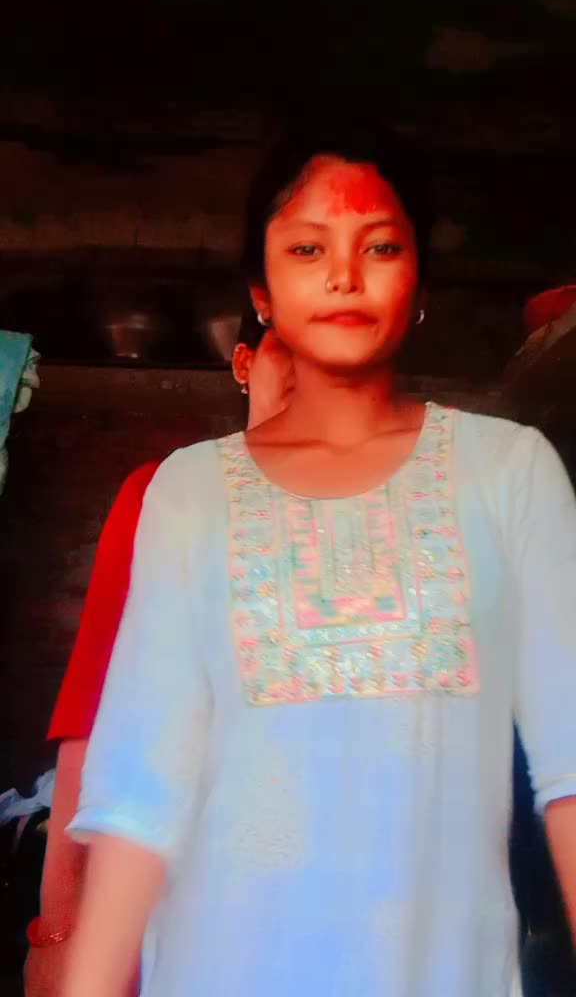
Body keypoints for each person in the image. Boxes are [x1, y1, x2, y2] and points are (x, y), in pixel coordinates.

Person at [63, 123, 576, 997]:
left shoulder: (510, 473)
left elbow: (569, 767)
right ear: (262, 293)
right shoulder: (190, 491)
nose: (344, 275)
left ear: (419, 283)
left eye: (380, 246)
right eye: (308, 248)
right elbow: (139, 798)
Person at [23, 321, 293, 997]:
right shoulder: (163, 494)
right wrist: (58, 925)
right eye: (289, 348)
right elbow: (91, 711)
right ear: (244, 362)